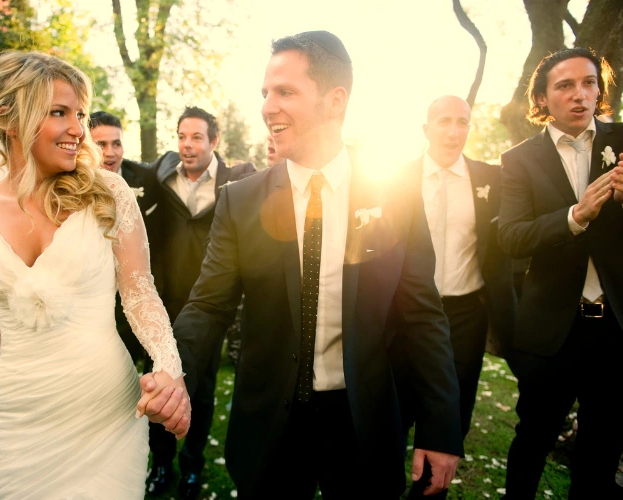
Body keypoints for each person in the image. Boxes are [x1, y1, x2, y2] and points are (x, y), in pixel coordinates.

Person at [138, 31, 463, 499]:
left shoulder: (396, 195)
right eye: (265, 93)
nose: (268, 107)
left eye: (285, 92)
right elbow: (209, 305)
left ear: (335, 100)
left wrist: (441, 426)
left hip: (361, 421)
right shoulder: (240, 200)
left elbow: (424, 316)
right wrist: (172, 366)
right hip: (271, 424)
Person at [0, 50, 187, 499]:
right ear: (8, 118)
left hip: (105, 409)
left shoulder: (108, 193)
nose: (78, 130)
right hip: (17, 418)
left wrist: (170, 367)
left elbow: (139, 292)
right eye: (59, 112)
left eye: (80, 114)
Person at [497, 47, 623, 500]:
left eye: (589, 83)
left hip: (617, 329)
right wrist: (575, 216)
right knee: (533, 441)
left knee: (602, 452)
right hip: (553, 328)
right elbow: (511, 236)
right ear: (542, 98)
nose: (580, 94)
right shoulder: (519, 159)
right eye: (565, 85)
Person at [391, 95, 516, 499]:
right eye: (443, 121)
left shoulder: (492, 179)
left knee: (449, 420)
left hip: (464, 316)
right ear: (426, 129)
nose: (453, 131)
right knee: (393, 413)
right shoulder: (396, 179)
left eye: (462, 122)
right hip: (404, 315)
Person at [145, 106, 255, 499]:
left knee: (202, 393)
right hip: (163, 306)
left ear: (214, 141)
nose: (187, 145)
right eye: (181, 136)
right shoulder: (160, 176)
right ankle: (161, 464)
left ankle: (193, 466)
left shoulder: (234, 183)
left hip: (209, 307)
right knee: (161, 386)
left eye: (196, 137)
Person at [89, 111, 162, 362]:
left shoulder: (145, 178)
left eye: (116, 143)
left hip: (136, 286)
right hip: (93, 293)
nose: (110, 152)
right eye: (101, 144)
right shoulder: (71, 181)